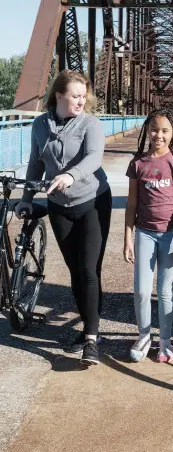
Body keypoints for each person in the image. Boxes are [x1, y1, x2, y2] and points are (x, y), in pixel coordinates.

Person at [15, 69, 112, 366]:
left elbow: (94, 157)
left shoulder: (90, 124)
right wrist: (27, 199)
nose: (81, 101)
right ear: (59, 95)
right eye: (75, 96)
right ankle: (86, 329)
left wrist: (70, 175)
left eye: (84, 96)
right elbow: (36, 163)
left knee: (88, 269)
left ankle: (92, 339)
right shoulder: (40, 125)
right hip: (59, 206)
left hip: (93, 201)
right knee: (75, 270)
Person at [124, 107, 173, 363]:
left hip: (171, 233)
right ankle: (143, 336)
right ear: (147, 131)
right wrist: (127, 238)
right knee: (141, 291)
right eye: (154, 130)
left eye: (164, 130)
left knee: (165, 292)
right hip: (144, 232)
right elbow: (131, 204)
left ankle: (165, 340)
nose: (158, 135)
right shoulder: (138, 163)